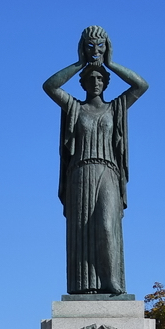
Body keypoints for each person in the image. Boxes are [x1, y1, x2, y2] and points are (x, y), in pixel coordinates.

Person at [43, 25, 148, 295]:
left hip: (108, 172)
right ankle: (85, 284)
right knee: (81, 230)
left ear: (107, 82)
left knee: (106, 225)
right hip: (80, 173)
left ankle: (112, 281)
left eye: (101, 79)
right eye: (91, 78)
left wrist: (110, 62)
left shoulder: (116, 107)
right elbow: (50, 86)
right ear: (83, 82)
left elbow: (141, 85)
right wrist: (80, 62)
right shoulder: (74, 107)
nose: (97, 81)